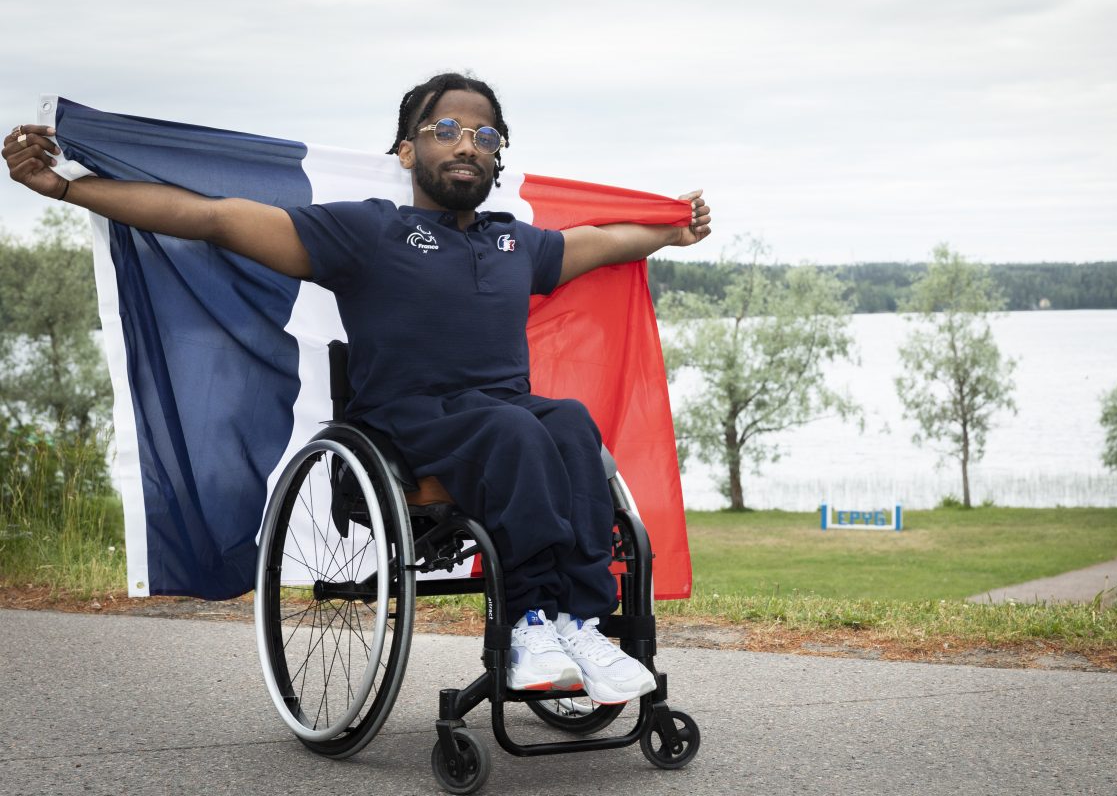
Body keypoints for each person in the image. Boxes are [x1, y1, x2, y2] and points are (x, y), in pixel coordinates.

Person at [3, 72, 711, 705]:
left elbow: (607, 241)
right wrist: (67, 187)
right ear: (407, 152)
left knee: (571, 423)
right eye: (446, 130)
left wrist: (672, 231)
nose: (467, 144)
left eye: (484, 134)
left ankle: (576, 624)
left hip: (502, 417)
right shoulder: (368, 233)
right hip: (407, 422)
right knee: (522, 430)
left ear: (498, 157)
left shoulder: (515, 244)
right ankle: (529, 626)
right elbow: (213, 217)